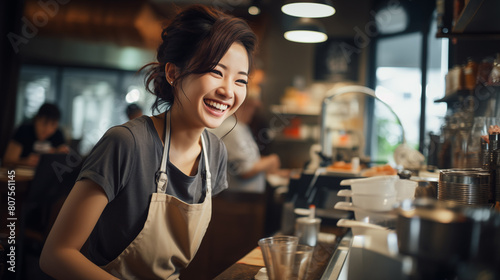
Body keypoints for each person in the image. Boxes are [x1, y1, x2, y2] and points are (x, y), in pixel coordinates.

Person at [40, 5, 256, 280]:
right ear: (173, 74)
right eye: (215, 71)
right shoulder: (126, 144)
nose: (228, 91)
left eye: (241, 80)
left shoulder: (215, 153)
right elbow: (56, 255)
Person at [212, 77, 284, 193]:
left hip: (246, 197)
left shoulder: (241, 127)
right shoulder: (233, 129)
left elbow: (248, 159)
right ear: (243, 104)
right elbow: (244, 171)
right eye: (253, 108)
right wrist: (270, 161)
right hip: (238, 199)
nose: (253, 113)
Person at [3, 103, 69, 167]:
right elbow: (7, 160)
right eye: (44, 123)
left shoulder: (58, 134)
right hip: (20, 176)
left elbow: (65, 160)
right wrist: (24, 161)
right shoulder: (24, 131)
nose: (48, 129)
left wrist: (59, 154)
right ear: (36, 119)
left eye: (53, 124)